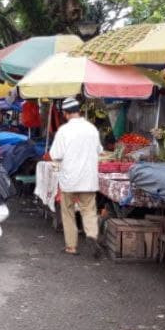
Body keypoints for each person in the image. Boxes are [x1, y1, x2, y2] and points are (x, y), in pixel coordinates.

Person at [49, 97, 103, 257]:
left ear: (65, 113)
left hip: (70, 179)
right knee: (89, 210)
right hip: (88, 178)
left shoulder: (64, 131)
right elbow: (99, 150)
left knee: (68, 211)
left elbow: (55, 154)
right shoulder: (92, 129)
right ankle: (92, 235)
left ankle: (71, 246)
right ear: (78, 110)